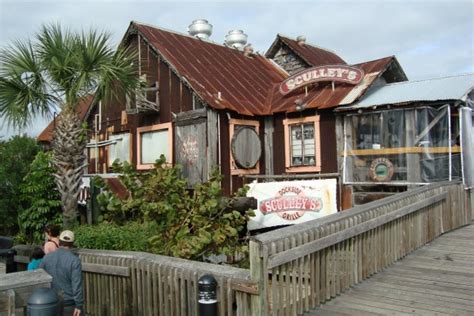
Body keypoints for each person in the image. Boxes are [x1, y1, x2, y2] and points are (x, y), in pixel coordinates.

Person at [40, 230, 84, 316]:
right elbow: (77, 285)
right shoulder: (74, 261)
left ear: (59, 242)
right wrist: (79, 305)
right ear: (72, 244)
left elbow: (41, 277)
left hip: (50, 301)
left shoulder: (46, 257)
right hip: (69, 303)